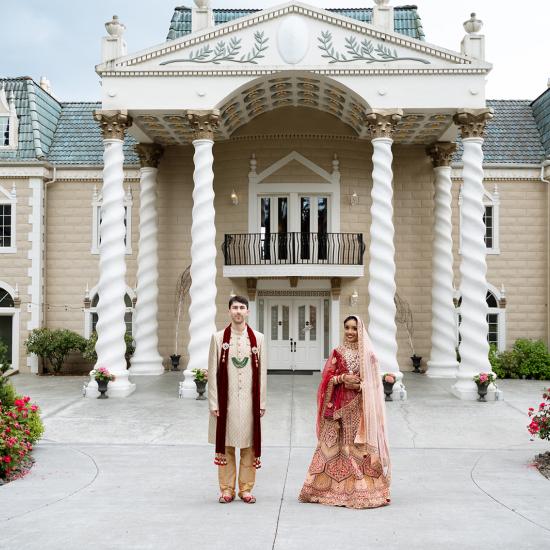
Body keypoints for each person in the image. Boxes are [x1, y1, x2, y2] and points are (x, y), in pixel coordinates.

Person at [299, 315, 391, 509]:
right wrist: (341, 378)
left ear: (360, 331)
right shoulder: (337, 352)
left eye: (354, 328)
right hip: (337, 408)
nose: (350, 332)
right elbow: (327, 378)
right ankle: (324, 490)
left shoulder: (369, 356)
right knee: (331, 446)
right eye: (347, 328)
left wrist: (360, 385)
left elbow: (375, 384)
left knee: (355, 446)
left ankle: (360, 491)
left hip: (358, 408)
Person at [208, 295, 267, 504]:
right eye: (235, 308)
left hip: (250, 402)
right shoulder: (218, 338)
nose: (238, 311)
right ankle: (226, 489)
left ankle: (246, 489)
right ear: (229, 311)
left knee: (249, 446)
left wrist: (261, 402)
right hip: (227, 402)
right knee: (226, 446)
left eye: (242, 307)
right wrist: (214, 403)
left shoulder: (258, 338)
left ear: (248, 311)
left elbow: (262, 374)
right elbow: (213, 372)